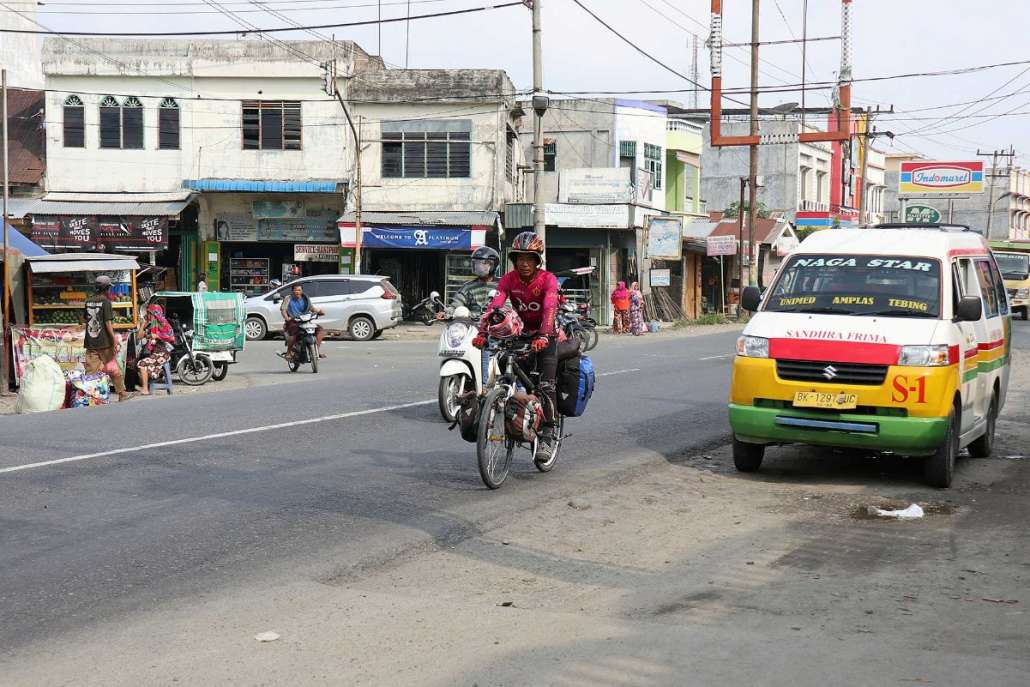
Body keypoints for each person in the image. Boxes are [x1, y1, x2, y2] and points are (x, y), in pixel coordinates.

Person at [473, 232, 561, 458]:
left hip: (546, 335)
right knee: (505, 369)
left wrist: (544, 335)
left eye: (529, 258)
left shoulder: (547, 279)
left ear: (537, 260)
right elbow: (495, 306)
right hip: (521, 334)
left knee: (547, 385)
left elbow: (550, 306)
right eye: (519, 258)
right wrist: (483, 333)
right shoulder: (508, 280)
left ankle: (548, 437)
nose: (523, 263)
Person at [81, 275, 133, 402]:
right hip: (104, 342)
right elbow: (108, 323)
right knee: (113, 367)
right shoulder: (106, 302)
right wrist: (114, 339)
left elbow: (83, 319)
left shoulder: (88, 301)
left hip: (91, 342)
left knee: (90, 372)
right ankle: (121, 393)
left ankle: (89, 397)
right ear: (107, 288)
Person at [445, 246, 500, 319]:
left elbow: (509, 305)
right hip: (472, 325)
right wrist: (451, 310)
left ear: (493, 265)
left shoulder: (502, 285)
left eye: (483, 263)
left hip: (496, 324)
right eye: (476, 263)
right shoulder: (468, 286)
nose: (478, 266)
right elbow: (458, 302)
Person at [135, 304, 175, 395]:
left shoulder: (164, 324)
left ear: (155, 314)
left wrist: (158, 336)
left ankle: (145, 389)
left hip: (164, 353)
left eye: (149, 314)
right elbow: (138, 337)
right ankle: (148, 383)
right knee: (138, 364)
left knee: (141, 363)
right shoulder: (152, 325)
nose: (148, 316)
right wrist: (143, 324)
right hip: (155, 354)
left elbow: (171, 337)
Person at [281, 283, 326, 359]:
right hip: (293, 321)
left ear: (302, 291)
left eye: (299, 290)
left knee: (320, 329)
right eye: (295, 290)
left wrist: (319, 311)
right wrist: (287, 318)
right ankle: (288, 352)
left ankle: (316, 352)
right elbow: (283, 310)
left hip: (305, 321)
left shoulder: (305, 299)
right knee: (293, 333)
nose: (297, 292)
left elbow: (312, 308)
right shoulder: (288, 298)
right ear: (292, 291)